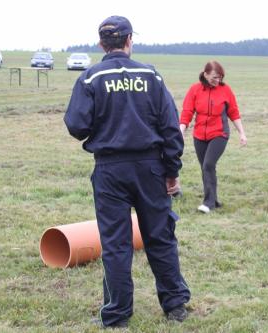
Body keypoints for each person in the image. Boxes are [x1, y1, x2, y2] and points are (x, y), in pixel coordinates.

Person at [64, 16, 190, 328]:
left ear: (101, 44)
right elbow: (171, 128)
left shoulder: (91, 78)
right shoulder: (151, 76)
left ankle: (117, 315)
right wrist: (171, 170)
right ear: (129, 40)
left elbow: (76, 126)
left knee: (116, 244)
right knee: (160, 237)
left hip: (110, 170)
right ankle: (175, 306)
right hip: (150, 168)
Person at [180, 61, 247, 213]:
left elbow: (234, 113)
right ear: (205, 74)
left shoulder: (225, 90)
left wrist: (242, 133)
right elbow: (187, 112)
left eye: (220, 78)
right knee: (206, 168)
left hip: (219, 133)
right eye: (215, 77)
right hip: (199, 135)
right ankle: (214, 200)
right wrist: (181, 129)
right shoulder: (195, 90)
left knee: (208, 165)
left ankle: (208, 203)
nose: (218, 81)